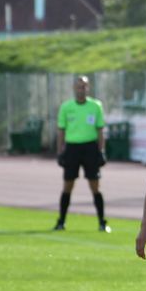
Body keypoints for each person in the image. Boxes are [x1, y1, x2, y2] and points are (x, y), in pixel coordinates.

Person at [55, 76, 109, 232]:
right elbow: (61, 131)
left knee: (95, 185)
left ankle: (102, 223)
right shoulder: (66, 107)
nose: (81, 89)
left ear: (88, 88)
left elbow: (100, 130)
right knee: (68, 185)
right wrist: (60, 152)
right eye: (79, 87)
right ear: (74, 88)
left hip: (90, 148)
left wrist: (101, 151)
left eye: (84, 86)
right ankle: (61, 222)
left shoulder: (96, 106)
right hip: (72, 148)